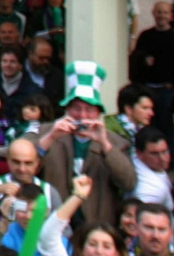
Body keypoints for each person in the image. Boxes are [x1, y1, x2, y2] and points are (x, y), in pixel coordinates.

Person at [38, 62, 135, 229]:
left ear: (98, 112)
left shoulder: (117, 142)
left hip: (96, 226)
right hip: (54, 222)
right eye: (76, 108)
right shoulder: (46, 132)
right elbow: (25, 165)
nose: (82, 116)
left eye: (89, 110)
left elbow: (129, 183)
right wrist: (51, 137)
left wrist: (105, 144)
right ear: (67, 109)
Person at [130, 1, 174, 144]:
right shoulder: (146, 36)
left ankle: (168, 155)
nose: (162, 16)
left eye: (165, 12)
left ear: (171, 15)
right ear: (153, 13)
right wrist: (143, 58)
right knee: (147, 123)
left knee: (166, 124)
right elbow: (135, 58)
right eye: (159, 12)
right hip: (147, 88)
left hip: (166, 89)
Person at [131, 127, 174, 210]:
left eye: (164, 151)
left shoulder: (153, 167)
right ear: (139, 154)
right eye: (154, 154)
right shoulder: (149, 191)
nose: (162, 158)